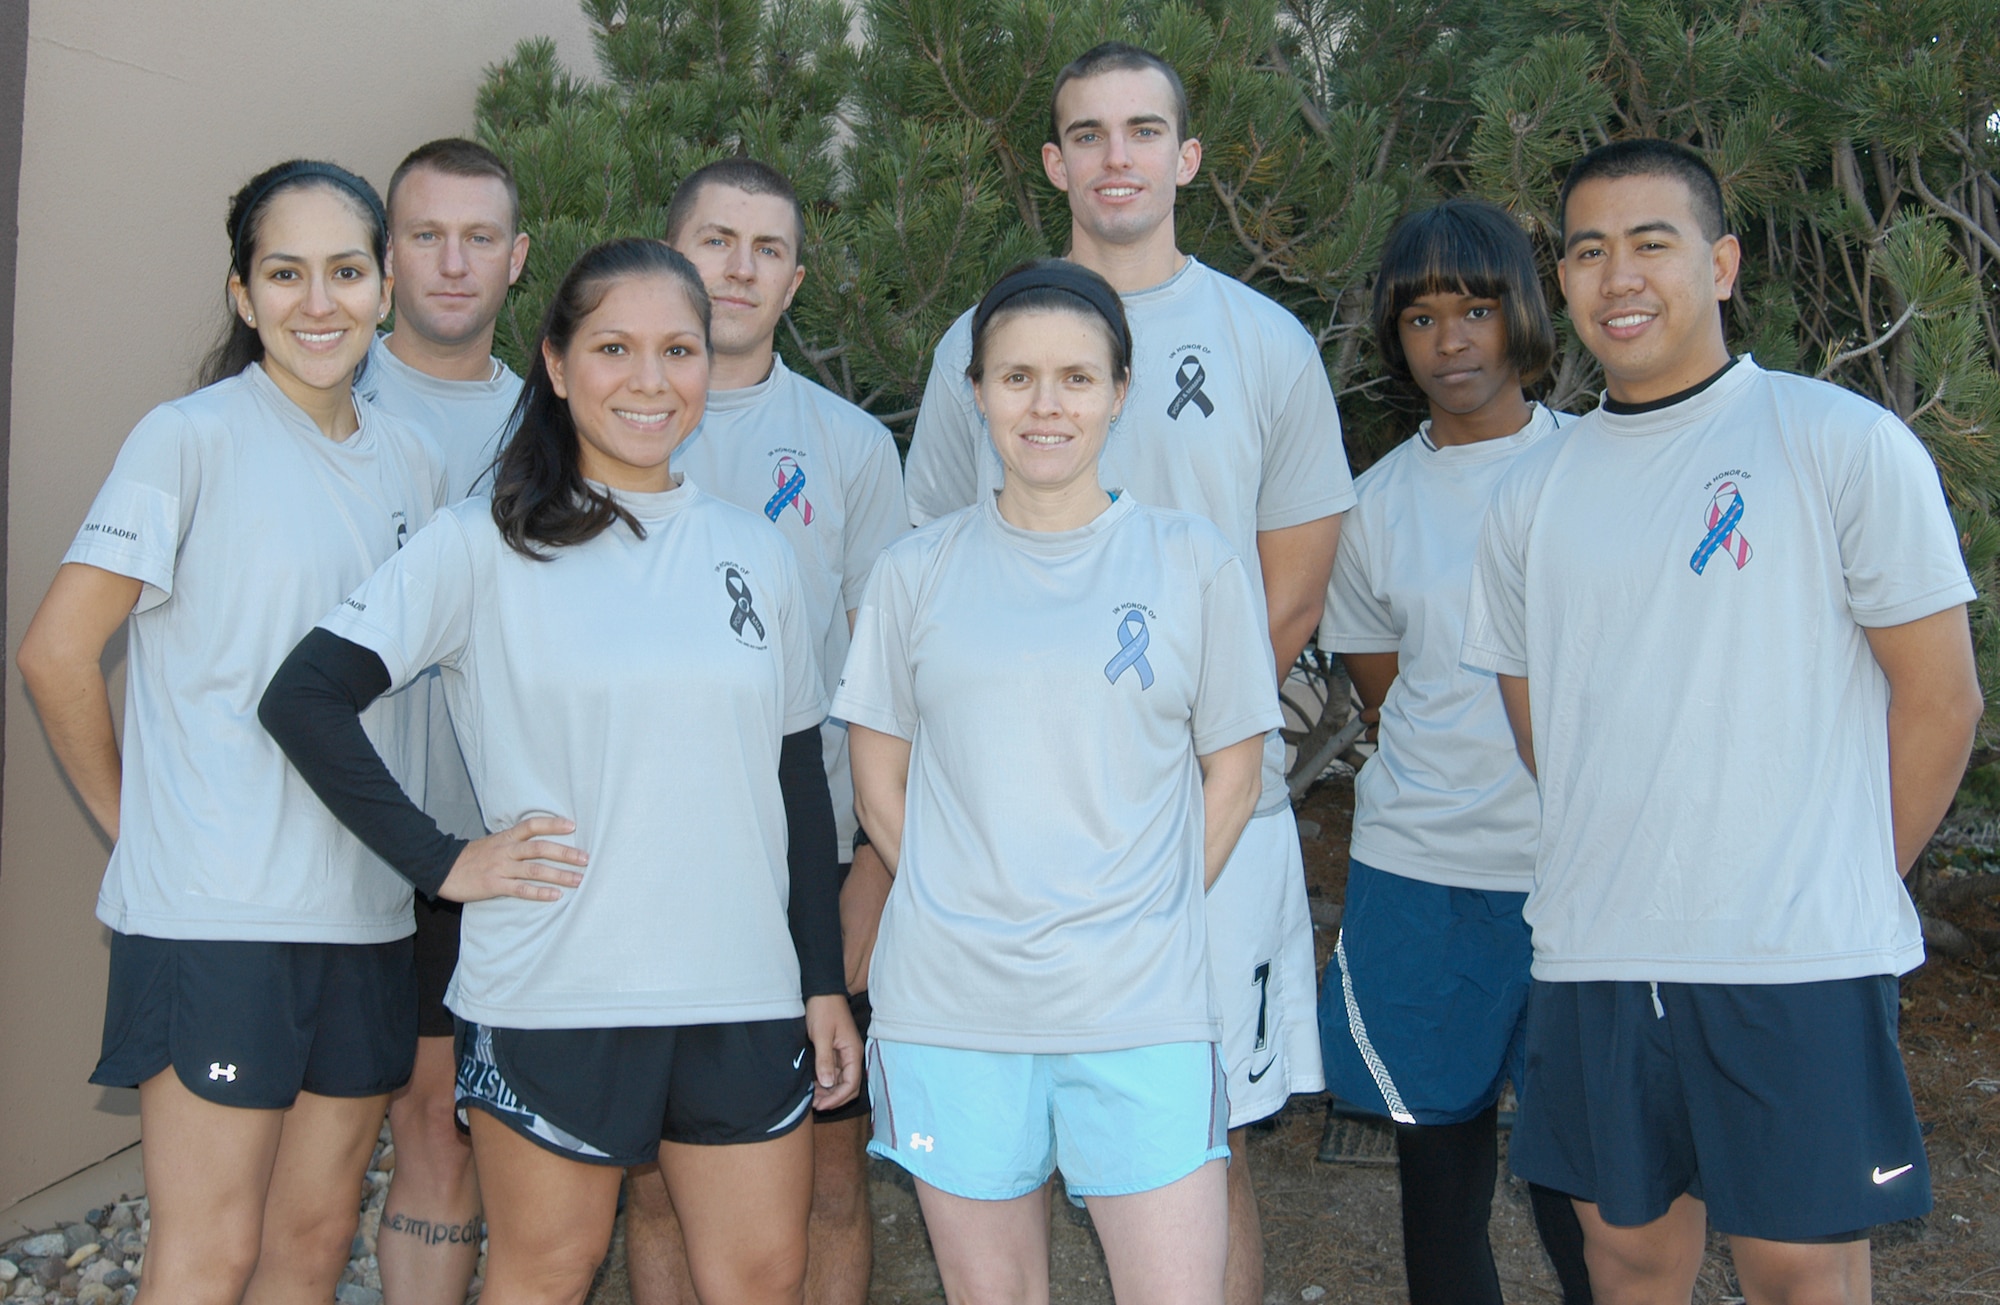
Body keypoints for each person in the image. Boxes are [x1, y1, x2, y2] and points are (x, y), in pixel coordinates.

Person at [260, 238, 863, 1304]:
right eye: (614, 347)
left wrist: (820, 981)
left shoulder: (754, 551)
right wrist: (440, 862)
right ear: (554, 360)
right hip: (553, 993)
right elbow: (303, 697)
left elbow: (794, 790)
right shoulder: (478, 547)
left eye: (678, 350)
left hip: (741, 993)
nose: (648, 380)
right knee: (546, 1275)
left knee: (762, 1279)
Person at [1462, 139, 1983, 1303]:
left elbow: (1940, 699)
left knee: (1798, 1268)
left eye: (1652, 243)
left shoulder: (1836, 444)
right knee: (1626, 1257)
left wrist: (1841, 881)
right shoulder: (1527, 495)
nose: (1618, 276)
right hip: (1596, 948)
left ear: (1722, 263)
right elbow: (1537, 720)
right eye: (1587, 251)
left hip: (1789, 956)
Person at [902, 45, 1354, 1301]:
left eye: (1143, 130)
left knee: (1203, 1158)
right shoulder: (973, 346)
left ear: (1185, 158)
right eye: (1087, 134)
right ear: (1052, 163)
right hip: (1004, 852)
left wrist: (1159, 775)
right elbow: (930, 572)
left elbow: (1295, 589)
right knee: (1007, 1168)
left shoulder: (1261, 343)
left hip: (1205, 828)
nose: (1117, 157)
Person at [15, 159, 446, 1305]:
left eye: (346, 271)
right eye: (286, 273)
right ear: (243, 295)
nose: (320, 302)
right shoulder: (187, 439)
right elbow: (56, 653)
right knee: (208, 1255)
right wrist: (133, 823)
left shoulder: (413, 463)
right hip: (217, 923)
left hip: (363, 919)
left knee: (309, 1246)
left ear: (387, 285)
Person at [841, 257, 1275, 1304]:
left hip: (1139, 1007)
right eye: (1017, 377)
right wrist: (967, 898)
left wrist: (1148, 903)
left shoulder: (1194, 563)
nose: (1046, 405)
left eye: (1076, 379)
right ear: (977, 391)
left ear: (1119, 393)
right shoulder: (914, 573)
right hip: (953, 1007)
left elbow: (1234, 769)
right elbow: (877, 783)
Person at [621, 158, 908, 1305]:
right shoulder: (600, 430)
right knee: (652, 1179)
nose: (739, 268)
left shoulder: (847, 446)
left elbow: (898, 684)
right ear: (666, 254)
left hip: (811, 862)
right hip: (643, 870)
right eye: (714, 240)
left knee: (825, 1170)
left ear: (796, 280)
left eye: (767, 249)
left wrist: (871, 875)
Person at [1316, 198, 1592, 1305]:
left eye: (1475, 310)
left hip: (1578, 874)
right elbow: (1388, 693)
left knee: (1586, 1190)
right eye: (1421, 319)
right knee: (1438, 1176)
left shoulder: (1597, 469)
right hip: (1424, 875)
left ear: (1521, 313)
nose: (1451, 343)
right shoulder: (1371, 507)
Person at [355, 136, 530, 1305]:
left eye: (479, 239)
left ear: (519, 260)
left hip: (490, 845)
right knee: (293, 1144)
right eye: (426, 236)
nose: (452, 265)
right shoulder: (323, 395)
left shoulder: (556, 416)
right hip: (340, 830)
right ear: (385, 257)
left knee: (446, 1125)